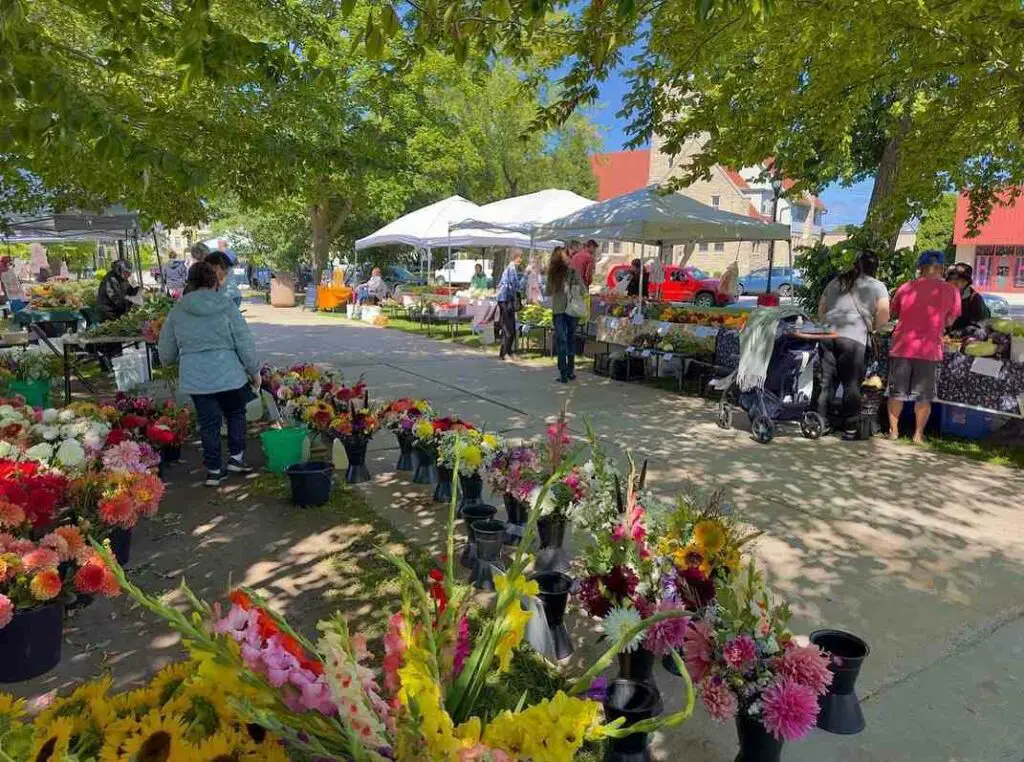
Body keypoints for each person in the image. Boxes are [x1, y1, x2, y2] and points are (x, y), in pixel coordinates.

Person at [158, 262, 260, 486]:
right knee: (235, 414)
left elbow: (166, 350)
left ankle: (214, 470)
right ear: (215, 281)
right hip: (229, 372)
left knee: (209, 423)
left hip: (196, 375)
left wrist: (171, 360)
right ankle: (236, 458)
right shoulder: (226, 305)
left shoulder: (178, 309)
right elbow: (243, 340)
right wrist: (254, 370)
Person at [886, 250, 961, 444]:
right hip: (930, 348)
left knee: (897, 393)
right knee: (924, 396)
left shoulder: (905, 287)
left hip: (902, 346)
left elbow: (894, 312)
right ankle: (918, 435)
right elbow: (951, 320)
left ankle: (893, 432)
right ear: (942, 268)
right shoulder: (952, 291)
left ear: (920, 267)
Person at [816, 251, 890, 439]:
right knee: (851, 385)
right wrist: (873, 328)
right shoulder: (877, 286)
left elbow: (821, 310)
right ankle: (850, 427)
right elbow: (883, 316)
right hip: (853, 337)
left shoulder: (836, 281)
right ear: (876, 268)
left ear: (856, 264)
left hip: (828, 333)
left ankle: (821, 422)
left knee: (827, 383)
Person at [547, 246, 584, 383]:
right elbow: (583, 289)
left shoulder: (553, 274)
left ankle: (563, 372)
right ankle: (570, 371)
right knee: (570, 339)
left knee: (561, 340)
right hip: (572, 309)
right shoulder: (573, 273)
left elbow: (548, 291)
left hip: (558, 310)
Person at [945, 263, 990, 334]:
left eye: (958, 280)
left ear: (966, 282)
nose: (953, 283)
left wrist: (958, 333)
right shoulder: (944, 296)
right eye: (950, 280)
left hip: (966, 341)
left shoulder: (975, 299)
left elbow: (979, 327)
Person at [496, 251, 523, 360]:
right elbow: (514, 285)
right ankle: (505, 353)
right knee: (508, 327)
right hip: (506, 300)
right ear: (515, 258)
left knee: (510, 326)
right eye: (520, 258)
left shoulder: (510, 269)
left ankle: (508, 351)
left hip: (505, 300)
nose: (521, 260)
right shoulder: (511, 269)